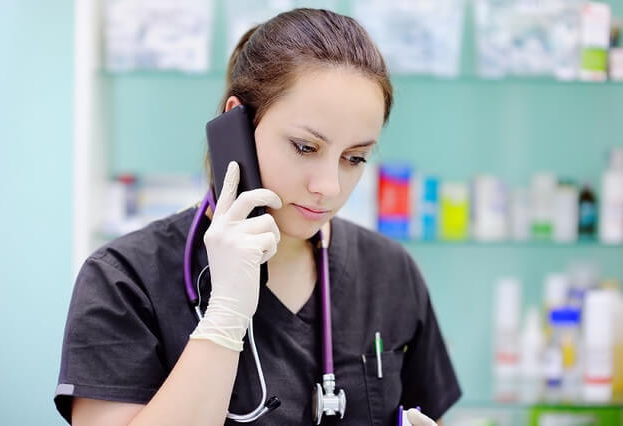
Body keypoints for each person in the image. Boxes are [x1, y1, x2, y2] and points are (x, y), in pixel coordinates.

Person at [55, 8, 461, 426]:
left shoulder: (389, 271)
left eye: (354, 158)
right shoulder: (125, 279)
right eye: (305, 147)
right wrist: (225, 316)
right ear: (239, 123)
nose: (329, 187)